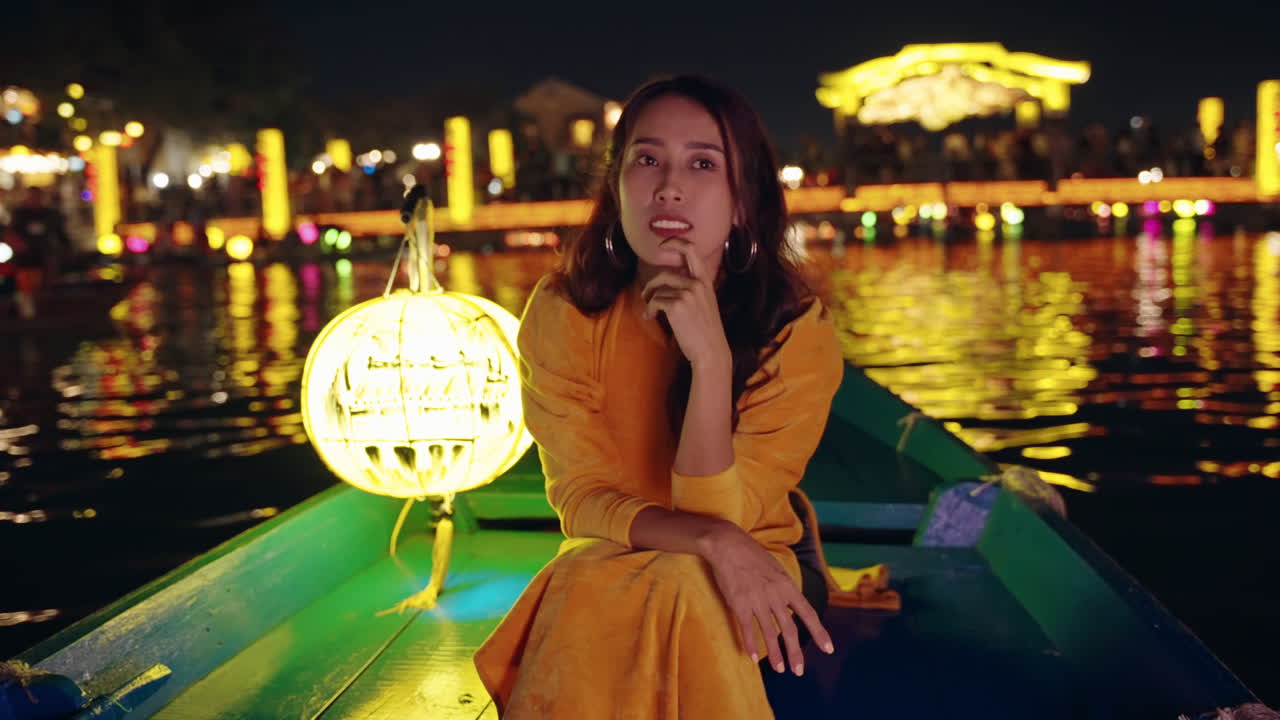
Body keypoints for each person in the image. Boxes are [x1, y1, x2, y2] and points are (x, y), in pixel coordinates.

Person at [473, 75, 845, 718]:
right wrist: (708, 542)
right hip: (622, 546)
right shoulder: (566, 313)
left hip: (763, 554)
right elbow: (580, 498)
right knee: (591, 572)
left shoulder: (795, 331)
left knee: (682, 582)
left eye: (703, 163)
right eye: (647, 159)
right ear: (616, 186)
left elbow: (728, 521)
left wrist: (709, 361)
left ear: (742, 202)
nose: (669, 184)